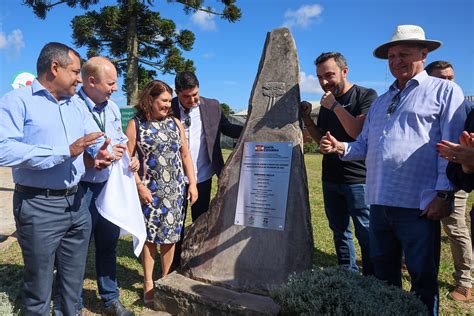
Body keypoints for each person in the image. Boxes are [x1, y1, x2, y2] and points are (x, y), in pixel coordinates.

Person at [319, 25, 466, 314]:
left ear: (424, 53)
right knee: (384, 279)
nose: (397, 60)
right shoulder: (383, 101)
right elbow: (364, 146)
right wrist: (340, 147)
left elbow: (453, 148)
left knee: (423, 281)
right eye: (392, 55)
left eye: (405, 54)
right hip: (379, 203)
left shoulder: (445, 91)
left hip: (418, 205)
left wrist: (444, 194)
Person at [0, 42, 113, 314]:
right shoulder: (17, 101)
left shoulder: (76, 104)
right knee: (39, 288)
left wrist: (100, 152)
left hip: (76, 204)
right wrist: (65, 151)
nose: (79, 78)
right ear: (54, 68)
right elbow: (4, 149)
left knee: (72, 287)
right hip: (38, 205)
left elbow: (90, 137)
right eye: (75, 71)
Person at [301, 52, 377, 275]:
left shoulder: (366, 95)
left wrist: (335, 106)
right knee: (339, 231)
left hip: (358, 179)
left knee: (366, 232)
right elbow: (320, 137)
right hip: (330, 177)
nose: (324, 82)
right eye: (319, 77)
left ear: (345, 71)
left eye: (329, 75)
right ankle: (348, 273)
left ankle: (372, 279)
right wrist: (307, 118)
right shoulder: (326, 101)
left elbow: (358, 132)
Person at [73, 56, 138, 315]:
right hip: (82, 189)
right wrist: (93, 158)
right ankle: (73, 303)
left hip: (109, 186)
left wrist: (129, 156)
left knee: (108, 244)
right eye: (110, 83)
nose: (115, 89)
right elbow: (70, 147)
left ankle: (110, 298)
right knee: (76, 249)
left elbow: (120, 137)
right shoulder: (72, 107)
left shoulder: (111, 107)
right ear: (91, 82)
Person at [125, 80, 198, 306]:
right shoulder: (135, 124)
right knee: (149, 238)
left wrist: (192, 184)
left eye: (169, 101)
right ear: (150, 100)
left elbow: (185, 156)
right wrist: (139, 186)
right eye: (164, 101)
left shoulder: (176, 123)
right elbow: (126, 160)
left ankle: (164, 280)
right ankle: (148, 281)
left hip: (175, 190)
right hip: (150, 191)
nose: (169, 105)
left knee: (170, 237)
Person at [170, 71, 243, 269]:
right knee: (175, 224)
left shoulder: (212, 106)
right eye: (186, 97)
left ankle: (195, 260)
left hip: (202, 175)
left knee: (200, 219)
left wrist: (251, 127)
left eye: (195, 94)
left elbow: (227, 128)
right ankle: (173, 263)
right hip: (174, 178)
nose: (193, 100)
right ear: (177, 94)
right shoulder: (168, 108)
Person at [425, 60, 472, 303]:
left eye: (451, 78)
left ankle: (465, 282)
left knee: (454, 227)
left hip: (457, 177)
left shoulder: (463, 106)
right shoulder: (422, 102)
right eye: (440, 79)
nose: (447, 83)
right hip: (426, 175)